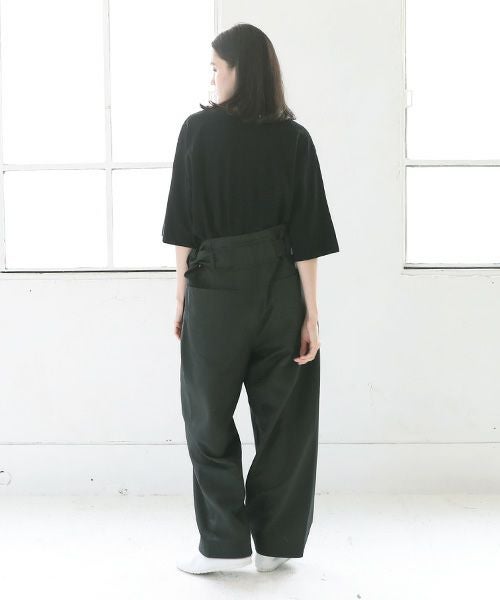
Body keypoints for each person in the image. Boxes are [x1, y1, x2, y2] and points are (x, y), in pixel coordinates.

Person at [161, 23, 340, 575]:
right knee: (286, 417)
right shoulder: (294, 138)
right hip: (279, 289)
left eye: (217, 68)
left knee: (207, 415)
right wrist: (310, 311)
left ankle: (224, 542)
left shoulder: (197, 131)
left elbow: (184, 224)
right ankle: (276, 542)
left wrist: (180, 296)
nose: (213, 78)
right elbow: (308, 233)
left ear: (241, 70)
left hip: (215, 289)